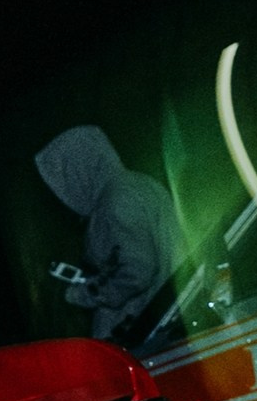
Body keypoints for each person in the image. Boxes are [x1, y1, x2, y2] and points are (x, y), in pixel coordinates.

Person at [33, 125, 177, 341]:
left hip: (142, 332)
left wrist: (83, 294)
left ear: (78, 168)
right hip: (161, 322)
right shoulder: (141, 184)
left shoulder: (114, 202)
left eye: (65, 175)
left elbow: (138, 270)